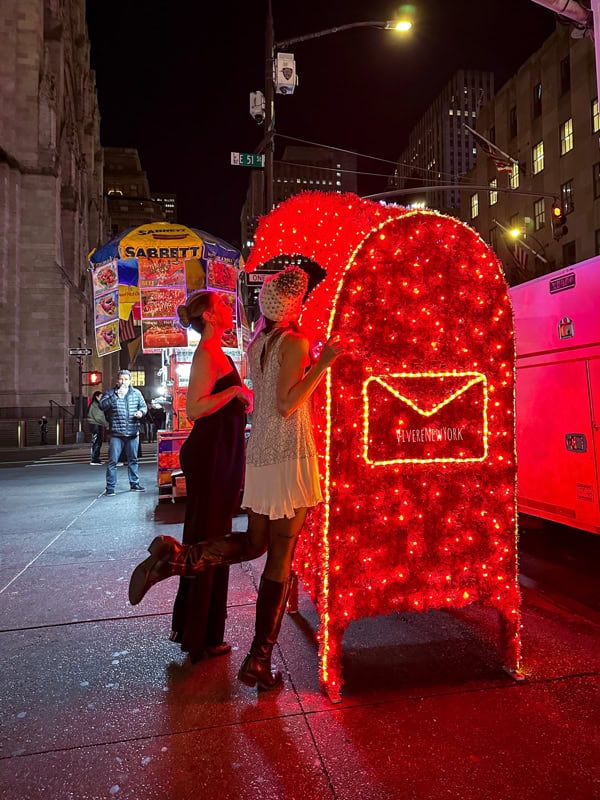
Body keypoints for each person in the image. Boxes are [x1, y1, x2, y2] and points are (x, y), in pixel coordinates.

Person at [129, 267, 344, 690]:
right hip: (289, 456)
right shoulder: (295, 342)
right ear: (293, 305)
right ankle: (258, 662)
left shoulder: (261, 342)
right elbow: (286, 404)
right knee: (279, 561)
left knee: (254, 543)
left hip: (261, 458)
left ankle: (177, 558)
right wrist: (323, 364)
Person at [170, 290, 251, 662]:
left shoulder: (217, 352)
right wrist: (234, 390)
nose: (226, 309)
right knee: (209, 542)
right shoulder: (205, 354)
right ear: (208, 314)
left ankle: (202, 633)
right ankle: (200, 636)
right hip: (210, 456)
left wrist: (241, 393)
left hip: (221, 454)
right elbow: (195, 408)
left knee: (212, 539)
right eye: (220, 305)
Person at [99, 370, 147, 496]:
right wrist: (116, 396)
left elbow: (143, 406)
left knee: (133, 460)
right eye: (121, 379)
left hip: (133, 432)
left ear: (130, 381)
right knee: (113, 461)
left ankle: (134, 484)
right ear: (117, 381)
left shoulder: (136, 393)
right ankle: (110, 488)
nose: (123, 382)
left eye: (126, 379)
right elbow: (102, 406)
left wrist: (140, 413)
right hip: (116, 433)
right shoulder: (110, 393)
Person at [87, 390, 108, 465]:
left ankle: (96, 458)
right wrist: (106, 424)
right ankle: (94, 459)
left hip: (96, 424)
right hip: (95, 424)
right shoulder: (96, 405)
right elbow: (99, 417)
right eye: (101, 396)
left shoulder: (96, 404)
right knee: (96, 442)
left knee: (98, 442)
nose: (102, 398)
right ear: (96, 397)